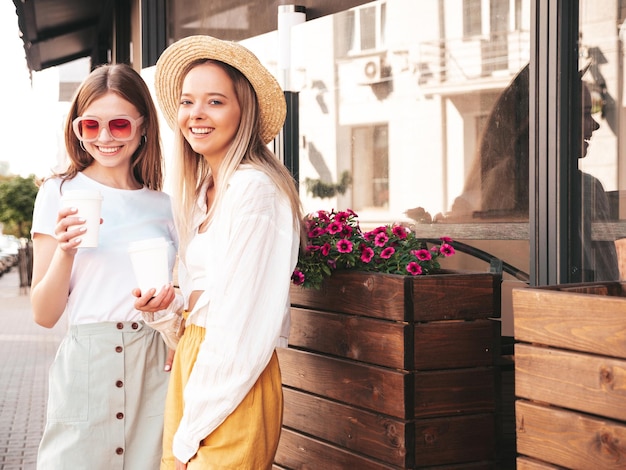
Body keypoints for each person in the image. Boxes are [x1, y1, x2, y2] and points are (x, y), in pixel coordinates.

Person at [133, 35, 303, 469]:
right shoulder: (205, 193)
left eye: (215, 101)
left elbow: (241, 325)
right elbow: (200, 317)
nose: (196, 115)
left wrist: (191, 429)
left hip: (232, 383)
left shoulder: (255, 191)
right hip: (199, 369)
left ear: (243, 111)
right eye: (188, 102)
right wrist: (164, 313)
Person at [30, 63, 178, 469]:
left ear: (143, 126)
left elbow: (180, 294)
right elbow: (44, 315)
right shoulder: (58, 193)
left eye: (119, 124)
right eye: (90, 126)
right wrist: (65, 251)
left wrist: (167, 306)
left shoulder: (164, 205)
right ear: (76, 129)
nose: (105, 137)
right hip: (87, 366)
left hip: (154, 363)